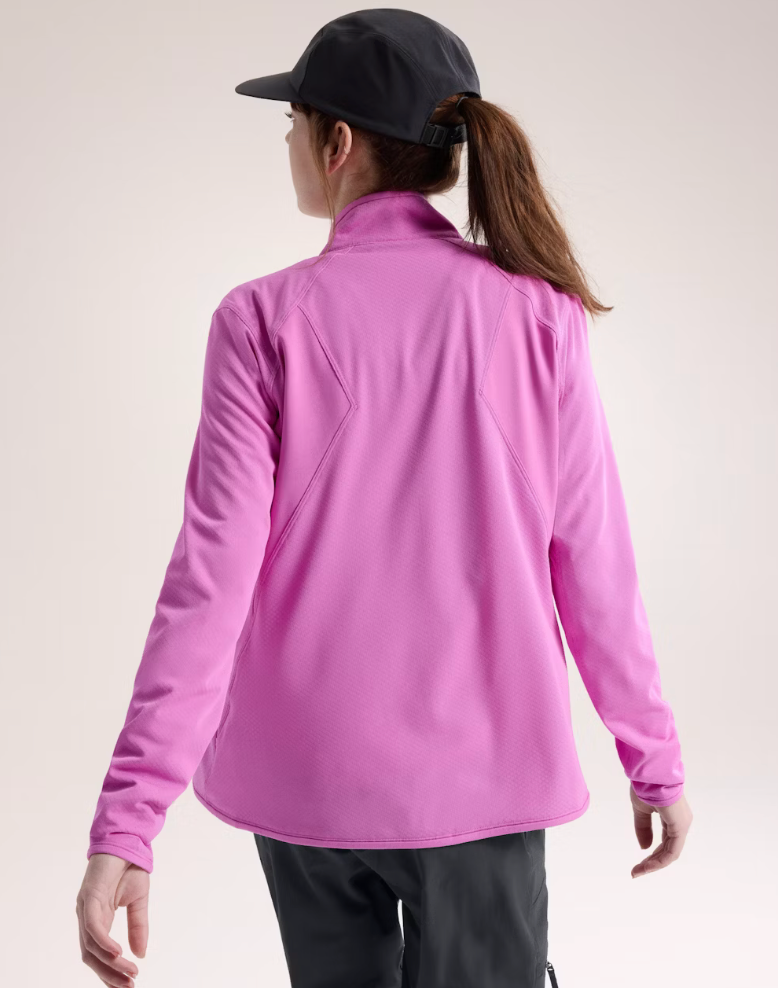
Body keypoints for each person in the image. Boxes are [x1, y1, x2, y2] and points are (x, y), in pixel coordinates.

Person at [76, 10, 693, 988]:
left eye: (292, 124)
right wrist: (651, 756)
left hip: (307, 782)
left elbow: (208, 585)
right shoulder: (541, 315)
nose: (286, 144)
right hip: (484, 781)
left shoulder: (260, 320)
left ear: (337, 144)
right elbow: (593, 562)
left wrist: (129, 820)